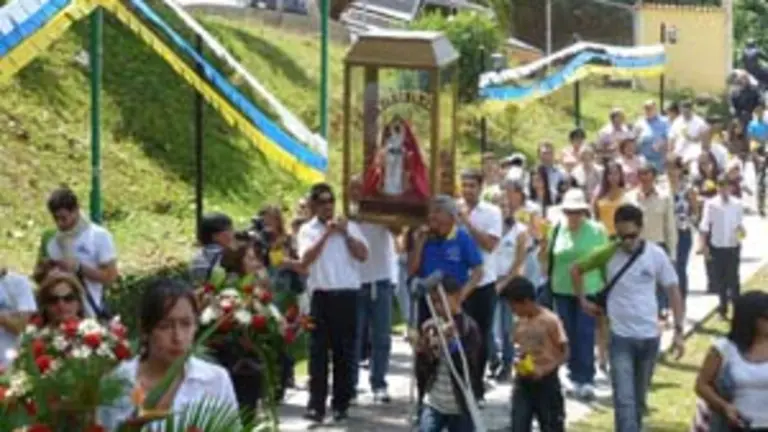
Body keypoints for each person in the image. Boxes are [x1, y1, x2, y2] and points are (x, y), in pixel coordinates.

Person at [573, 203, 685, 432]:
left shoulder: (655, 254)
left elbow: (673, 289)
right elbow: (576, 269)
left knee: (638, 401)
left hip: (650, 337)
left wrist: (679, 331)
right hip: (620, 338)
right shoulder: (608, 253)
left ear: (641, 229)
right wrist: (582, 300)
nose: (627, 241)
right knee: (624, 401)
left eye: (632, 235)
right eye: (621, 236)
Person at [99, 278, 238, 430]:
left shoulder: (215, 380)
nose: (178, 337)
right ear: (145, 330)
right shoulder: (118, 382)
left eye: (186, 324)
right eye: (165, 326)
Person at [297, 182, 369, 423]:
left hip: (347, 294)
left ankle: (341, 402)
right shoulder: (307, 230)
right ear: (314, 206)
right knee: (317, 352)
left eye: (331, 201)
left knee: (344, 352)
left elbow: (362, 255)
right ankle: (315, 405)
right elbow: (305, 260)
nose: (328, 206)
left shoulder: (351, 227)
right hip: (322, 295)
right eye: (323, 202)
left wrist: (346, 233)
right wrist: (326, 234)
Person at [409, 194, 484, 412]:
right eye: (431, 217)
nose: (433, 222)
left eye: (438, 217)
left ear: (451, 217)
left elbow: (478, 271)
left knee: (459, 351)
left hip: (453, 302)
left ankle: (465, 396)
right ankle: (425, 398)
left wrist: (463, 295)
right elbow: (412, 270)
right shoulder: (425, 237)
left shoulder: (461, 237)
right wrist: (420, 243)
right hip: (428, 301)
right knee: (425, 351)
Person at [538, 188, 608, 400]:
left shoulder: (596, 230)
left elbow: (603, 259)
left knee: (585, 332)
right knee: (567, 332)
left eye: (577, 211)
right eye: (569, 211)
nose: (573, 216)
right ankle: (571, 373)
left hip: (588, 289)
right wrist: (542, 246)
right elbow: (546, 259)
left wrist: (605, 288)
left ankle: (586, 377)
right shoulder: (557, 229)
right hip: (561, 289)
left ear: (584, 211)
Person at [37, 187, 118, 319]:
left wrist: (79, 268)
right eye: (55, 219)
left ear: (75, 210)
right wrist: (46, 271)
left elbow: (111, 277)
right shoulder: (53, 242)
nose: (60, 223)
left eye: (63, 218)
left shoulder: (99, 236)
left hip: (90, 313)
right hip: (59, 314)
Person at [458, 169, 503, 402]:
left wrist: (467, 223)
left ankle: (477, 387)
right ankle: (460, 385)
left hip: (484, 282)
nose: (467, 190)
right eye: (464, 185)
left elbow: (489, 245)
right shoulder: (454, 209)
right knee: (459, 335)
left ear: (481, 187)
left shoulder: (492, 212)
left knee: (481, 336)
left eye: (472, 186)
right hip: (458, 281)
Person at [695, 291, 768, 432]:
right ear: (750, 319)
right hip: (737, 425)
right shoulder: (723, 348)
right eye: (767, 317)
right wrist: (724, 406)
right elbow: (701, 385)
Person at [502, 276, 567, 432]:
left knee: (551, 423)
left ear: (526, 301)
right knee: (519, 423)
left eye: (513, 305)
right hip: (523, 382)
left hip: (547, 382)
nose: (512, 310)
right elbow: (520, 347)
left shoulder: (550, 321)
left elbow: (564, 352)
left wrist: (545, 369)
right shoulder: (519, 322)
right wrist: (520, 361)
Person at [698, 176, 745, 319]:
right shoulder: (711, 204)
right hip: (717, 246)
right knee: (720, 279)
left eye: (727, 186)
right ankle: (723, 308)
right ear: (718, 188)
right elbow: (705, 225)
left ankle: (738, 310)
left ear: (731, 187)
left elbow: (739, 223)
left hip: (732, 245)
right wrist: (703, 245)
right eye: (721, 186)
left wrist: (741, 232)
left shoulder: (737, 204)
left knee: (734, 279)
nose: (724, 190)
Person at [666, 155, 698, 304]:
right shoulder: (662, 187)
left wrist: (688, 221)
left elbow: (695, 209)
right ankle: (667, 302)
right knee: (666, 267)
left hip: (682, 231)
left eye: (674, 167)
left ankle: (681, 300)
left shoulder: (687, 187)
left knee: (680, 266)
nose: (672, 171)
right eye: (669, 167)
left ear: (680, 169)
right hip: (665, 232)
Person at [0, 268, 37, 368]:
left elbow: (21, 326)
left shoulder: (18, 282)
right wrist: (8, 317)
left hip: (10, 363)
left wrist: (4, 319)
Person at [190, 212, 235, 284]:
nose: (233, 234)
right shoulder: (226, 256)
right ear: (215, 236)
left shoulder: (197, 256)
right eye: (229, 230)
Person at [634, 100, 670, 173]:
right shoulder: (639, 122)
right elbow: (634, 138)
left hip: (659, 156)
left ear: (655, 109)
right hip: (643, 157)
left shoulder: (664, 121)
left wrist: (662, 142)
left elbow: (669, 137)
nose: (648, 111)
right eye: (646, 108)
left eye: (650, 108)